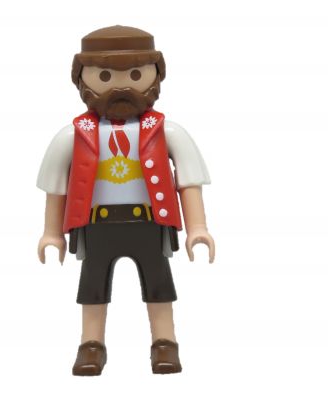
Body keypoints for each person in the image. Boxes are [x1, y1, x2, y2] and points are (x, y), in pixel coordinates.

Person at [37, 25, 215, 375]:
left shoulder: (167, 132)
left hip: (149, 222)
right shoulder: (72, 135)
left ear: (156, 75)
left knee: (159, 284)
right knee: (92, 287)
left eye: (135, 75)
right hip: (96, 225)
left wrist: (197, 227)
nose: (121, 87)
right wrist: (52, 233)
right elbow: (56, 188)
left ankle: (165, 342)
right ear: (81, 78)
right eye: (105, 76)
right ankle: (91, 345)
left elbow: (188, 183)